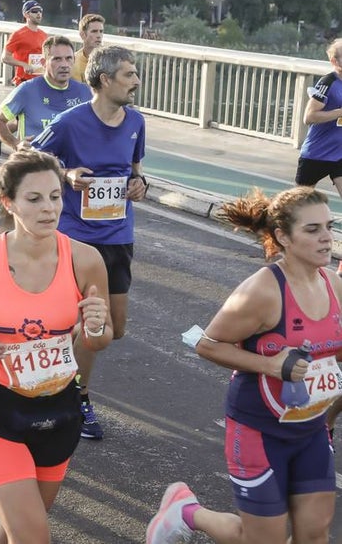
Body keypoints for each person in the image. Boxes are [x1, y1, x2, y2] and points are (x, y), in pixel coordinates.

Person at [146, 187, 342, 544]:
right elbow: (207, 343)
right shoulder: (263, 290)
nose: (327, 237)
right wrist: (271, 365)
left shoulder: (334, 284)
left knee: (314, 535)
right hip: (259, 431)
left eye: (329, 226)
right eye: (313, 230)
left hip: (310, 429)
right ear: (283, 236)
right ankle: (186, 512)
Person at [0, 149, 111, 544]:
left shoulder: (85, 259)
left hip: (60, 410)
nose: (48, 208)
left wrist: (95, 326)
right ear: (8, 202)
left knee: (21, 527)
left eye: (55, 196)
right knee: (32, 536)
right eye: (34, 199)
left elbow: (98, 340)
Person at [32, 45, 148, 440]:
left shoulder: (136, 122)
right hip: (76, 238)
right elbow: (30, 158)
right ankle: (75, 395)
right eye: (129, 75)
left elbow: (136, 170)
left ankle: (58, 371)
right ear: (105, 80)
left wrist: (139, 184)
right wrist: (65, 175)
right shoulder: (69, 122)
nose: (136, 81)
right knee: (85, 323)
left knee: (112, 329)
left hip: (118, 236)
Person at [0, 35, 92, 153]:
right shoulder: (27, 90)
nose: (64, 64)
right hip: (34, 166)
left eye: (69, 58)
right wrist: (15, 144)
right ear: (44, 62)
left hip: (68, 168)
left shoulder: (85, 92)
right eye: (57, 59)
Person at [295, 39, 342, 201]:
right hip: (316, 153)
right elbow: (309, 117)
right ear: (334, 61)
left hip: (339, 154)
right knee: (299, 203)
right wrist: (339, 112)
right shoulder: (328, 83)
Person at [2, 0, 48, 86]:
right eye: (34, 11)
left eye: (40, 11)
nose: (38, 14)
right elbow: (5, 57)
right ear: (26, 14)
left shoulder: (44, 35)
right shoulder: (18, 34)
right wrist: (24, 65)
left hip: (41, 82)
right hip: (23, 82)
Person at [72, 13, 105, 83]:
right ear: (82, 35)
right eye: (94, 31)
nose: (99, 35)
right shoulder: (72, 61)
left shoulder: (109, 61)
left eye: (101, 31)